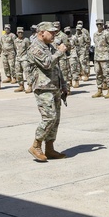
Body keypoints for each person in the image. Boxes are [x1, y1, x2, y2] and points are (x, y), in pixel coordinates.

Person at [27, 22, 69, 162]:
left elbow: (56, 68)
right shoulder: (35, 48)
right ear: (42, 33)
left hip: (54, 87)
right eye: (51, 32)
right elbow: (47, 63)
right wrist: (60, 52)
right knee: (49, 117)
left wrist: (63, 84)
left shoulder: (49, 47)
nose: (54, 34)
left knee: (55, 119)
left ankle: (49, 148)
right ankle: (36, 145)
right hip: (43, 88)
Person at [92, 19, 109, 98]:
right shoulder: (95, 34)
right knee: (98, 74)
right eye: (97, 24)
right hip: (97, 57)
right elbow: (96, 44)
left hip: (105, 58)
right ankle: (99, 90)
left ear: (103, 25)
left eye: (100, 24)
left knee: (108, 74)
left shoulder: (106, 34)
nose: (99, 26)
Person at [14, 26, 31, 93]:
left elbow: (29, 49)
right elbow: (15, 49)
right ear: (17, 33)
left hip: (25, 59)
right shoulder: (15, 41)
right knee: (18, 73)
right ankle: (21, 85)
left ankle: (30, 86)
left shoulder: (26, 40)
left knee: (27, 73)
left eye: (21, 32)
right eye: (19, 32)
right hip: (18, 59)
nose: (20, 34)